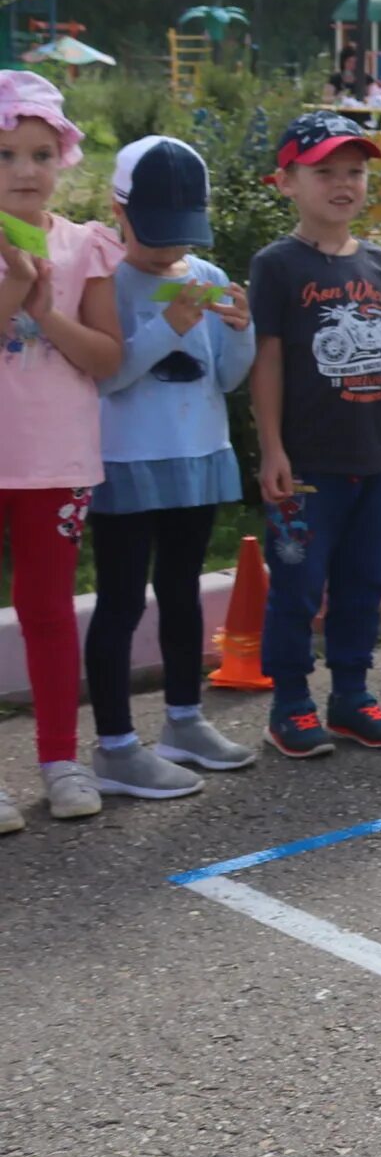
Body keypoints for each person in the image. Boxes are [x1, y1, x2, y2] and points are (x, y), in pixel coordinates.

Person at [86, 137, 258, 800]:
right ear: (117, 210)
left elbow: (226, 379)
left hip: (197, 454)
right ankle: (116, 746)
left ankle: (184, 722)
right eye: (153, 234)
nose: (167, 251)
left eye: (180, 236)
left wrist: (238, 329)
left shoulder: (206, 276)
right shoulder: (103, 277)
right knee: (123, 599)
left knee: (183, 591)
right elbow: (107, 377)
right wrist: (168, 326)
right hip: (126, 459)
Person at [250, 111, 381, 758]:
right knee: (297, 585)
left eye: (354, 170)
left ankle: (351, 694)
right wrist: (272, 448)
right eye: (325, 171)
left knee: (364, 582)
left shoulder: (378, 262)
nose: (344, 183)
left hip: (373, 461)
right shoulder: (277, 265)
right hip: (307, 469)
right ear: (287, 180)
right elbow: (266, 359)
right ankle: (289, 702)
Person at [0, 73, 122, 830]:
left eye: (42, 153)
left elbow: (107, 357)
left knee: (47, 611)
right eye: (6, 153)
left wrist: (46, 311)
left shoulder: (85, 245)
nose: (25, 170)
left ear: (64, 157)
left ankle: (60, 758)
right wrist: (14, 291)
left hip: (56, 461)